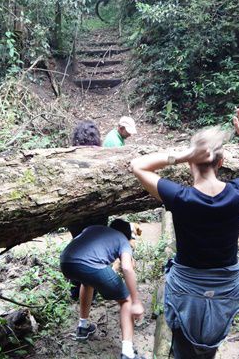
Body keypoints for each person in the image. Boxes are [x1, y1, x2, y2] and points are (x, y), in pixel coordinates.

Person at [130, 104, 239, 359]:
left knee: (182, 350)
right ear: (221, 162)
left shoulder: (180, 197)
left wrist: (182, 154)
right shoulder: (238, 192)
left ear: (191, 162)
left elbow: (138, 166)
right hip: (226, 288)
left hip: (186, 288)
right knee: (209, 349)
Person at [60, 219, 146, 359]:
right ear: (127, 236)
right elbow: (126, 267)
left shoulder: (95, 228)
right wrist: (136, 301)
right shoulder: (123, 240)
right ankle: (128, 353)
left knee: (87, 282)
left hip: (66, 261)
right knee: (126, 300)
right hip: (89, 265)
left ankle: (83, 327)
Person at [67, 121, 109, 300]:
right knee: (95, 249)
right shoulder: (104, 157)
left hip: (75, 214)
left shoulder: (67, 159)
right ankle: (92, 287)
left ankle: (78, 287)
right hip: (98, 212)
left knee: (78, 245)